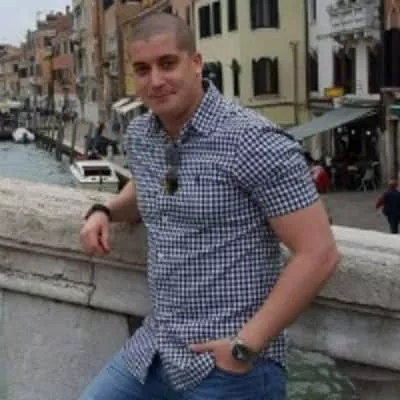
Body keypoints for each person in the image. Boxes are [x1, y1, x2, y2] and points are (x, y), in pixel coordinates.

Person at [79, 13, 339, 400]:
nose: (155, 80)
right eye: (143, 69)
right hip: (155, 349)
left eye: (168, 63)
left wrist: (244, 346)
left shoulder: (254, 141)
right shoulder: (141, 134)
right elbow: (150, 188)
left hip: (229, 368)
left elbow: (319, 253)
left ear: (196, 63)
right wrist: (105, 210)